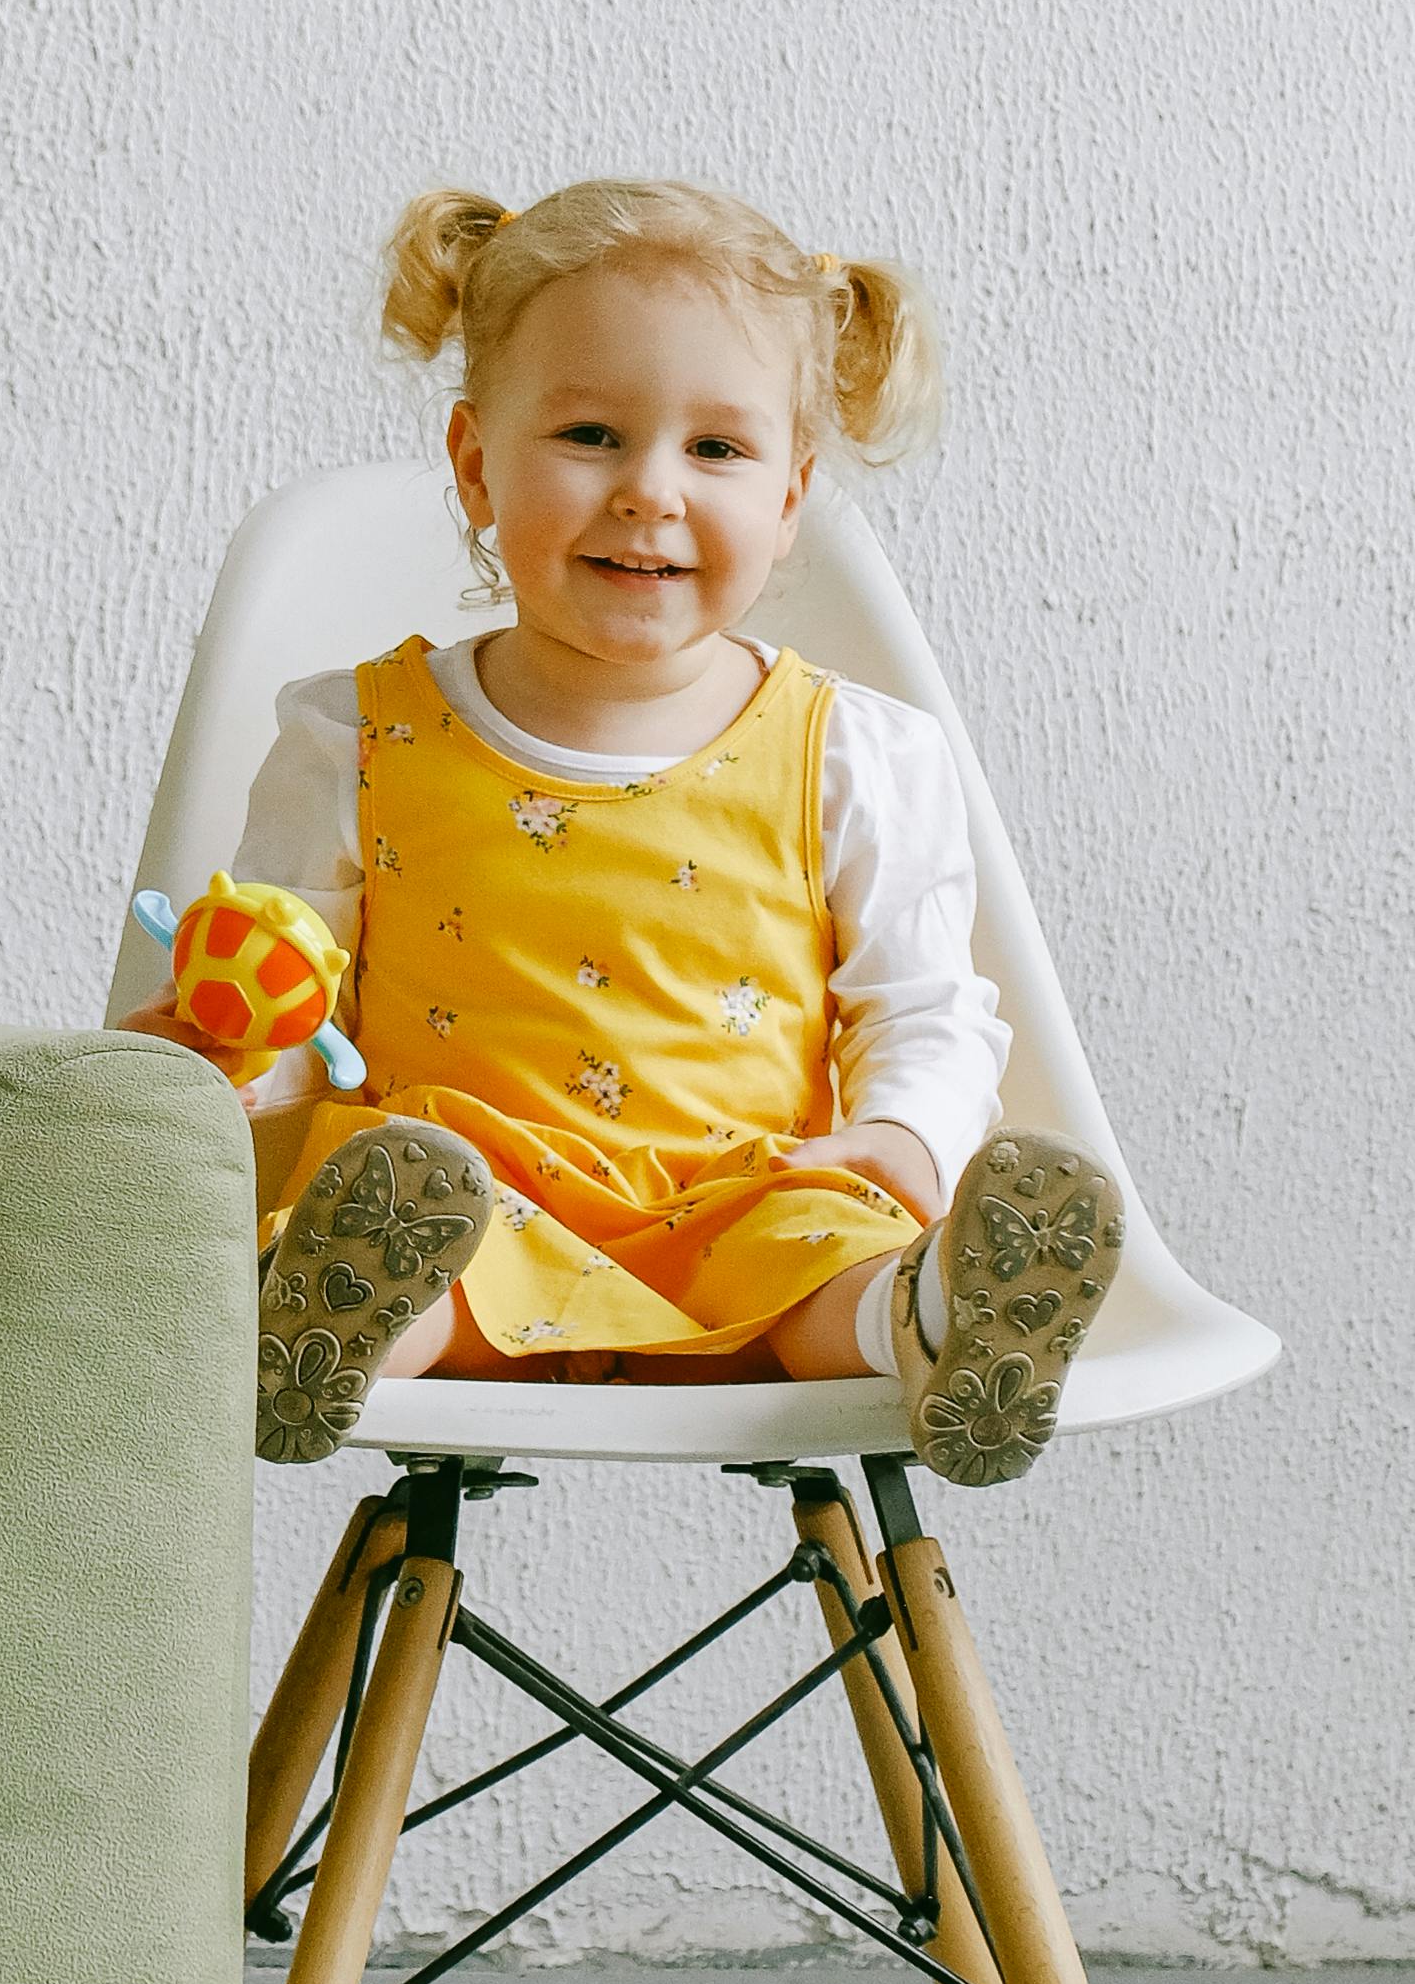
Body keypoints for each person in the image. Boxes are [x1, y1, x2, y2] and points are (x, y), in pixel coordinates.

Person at [153, 178, 1123, 1491]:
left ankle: (951, 1321)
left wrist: (901, 1143)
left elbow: (925, 1008)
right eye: (591, 434)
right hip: (459, 1196)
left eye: (715, 451)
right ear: (475, 466)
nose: (648, 493)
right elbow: (284, 994)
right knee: (398, 1220)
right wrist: (213, 1060)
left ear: (789, 496)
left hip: (740, 1198)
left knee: (831, 1264)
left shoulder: (851, 750)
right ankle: (325, 1323)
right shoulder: (356, 734)